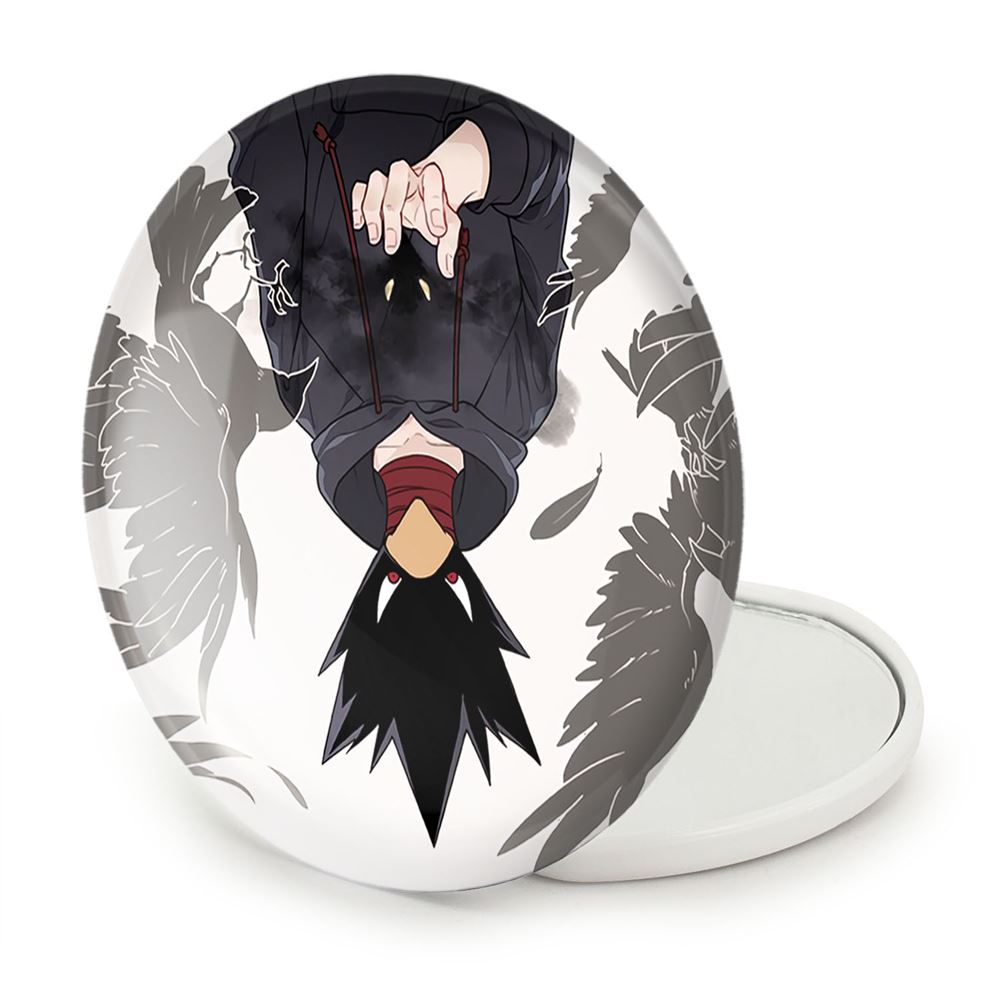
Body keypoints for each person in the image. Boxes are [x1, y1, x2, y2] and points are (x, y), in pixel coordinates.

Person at [228, 78, 574, 845]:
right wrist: (466, 164)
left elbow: (260, 180)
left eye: (397, 607)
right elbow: (550, 170)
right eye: (443, 607)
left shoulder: (309, 394)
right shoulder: (520, 393)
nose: (418, 574)